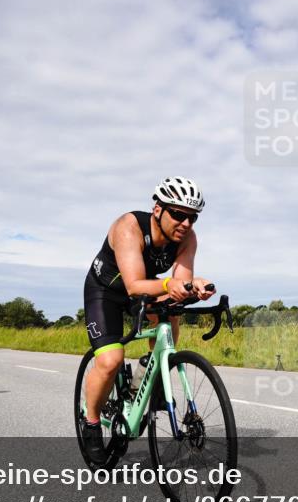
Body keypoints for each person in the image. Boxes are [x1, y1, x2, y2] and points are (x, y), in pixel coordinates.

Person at [82, 177, 215, 464]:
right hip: (106, 291)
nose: (186, 223)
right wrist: (170, 286)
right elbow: (134, 285)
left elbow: (179, 284)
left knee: (172, 310)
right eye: (178, 214)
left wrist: (194, 287)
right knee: (110, 361)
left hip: (146, 288)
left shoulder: (187, 238)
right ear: (158, 210)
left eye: (193, 217)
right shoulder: (129, 227)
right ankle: (91, 423)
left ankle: (150, 374)